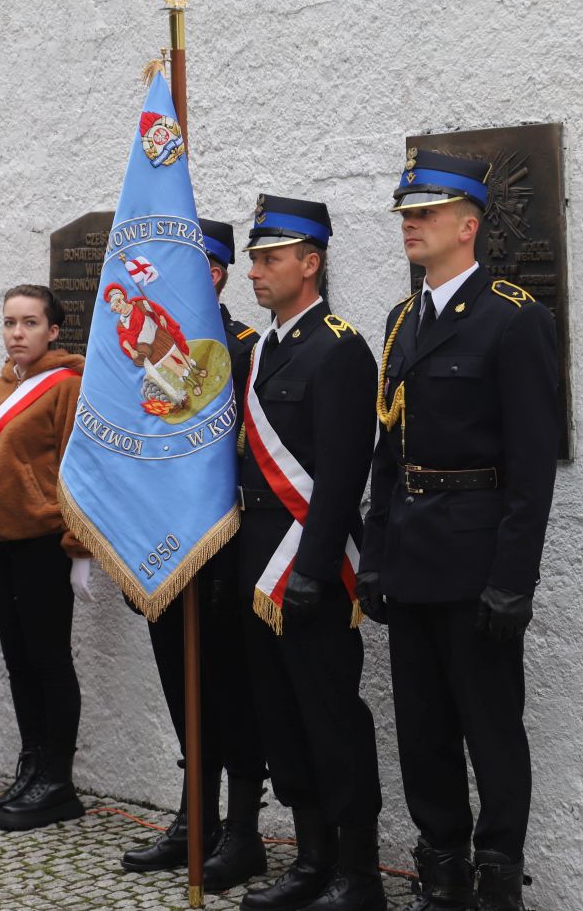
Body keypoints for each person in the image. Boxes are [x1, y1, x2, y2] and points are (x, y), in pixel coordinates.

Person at [357, 150, 561, 911]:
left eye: (427, 213)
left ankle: (498, 871)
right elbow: (389, 447)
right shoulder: (402, 320)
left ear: (468, 225)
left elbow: (531, 465)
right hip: (410, 555)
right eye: (408, 214)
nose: (411, 224)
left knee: (491, 727)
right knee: (422, 728)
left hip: (477, 563)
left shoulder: (514, 317)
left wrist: (514, 579)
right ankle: (441, 866)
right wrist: (374, 555)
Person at [234, 195, 384, 911]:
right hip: (257, 565)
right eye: (255, 259)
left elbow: (343, 473)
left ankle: (358, 873)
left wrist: (315, 569)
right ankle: (311, 857)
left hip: (309, 567)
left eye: (269, 258)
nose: (255, 271)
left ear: (310, 261)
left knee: (330, 717)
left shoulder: (341, 348)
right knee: (281, 717)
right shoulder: (263, 348)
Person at [121, 220, 269, 889]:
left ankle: (240, 831)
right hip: (164, 552)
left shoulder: (243, 348)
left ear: (214, 274)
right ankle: (194, 820)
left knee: (232, 695)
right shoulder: (143, 359)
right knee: (182, 693)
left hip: (224, 555)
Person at [0, 284, 92, 831]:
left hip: (42, 543)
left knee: (48, 660)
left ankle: (57, 779)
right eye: (10, 323)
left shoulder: (68, 386)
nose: (17, 333)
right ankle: (32, 763)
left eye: (30, 323)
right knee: (17, 662)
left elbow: (81, 472)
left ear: (53, 331)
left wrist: (79, 550)